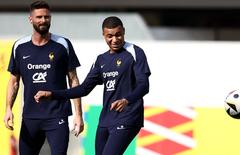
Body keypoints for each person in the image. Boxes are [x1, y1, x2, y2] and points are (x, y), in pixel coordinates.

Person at [34, 16, 151, 155]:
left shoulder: (135, 52)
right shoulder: (101, 59)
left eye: (118, 35)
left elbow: (144, 85)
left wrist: (127, 100)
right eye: (110, 36)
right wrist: (52, 94)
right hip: (105, 120)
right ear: (104, 35)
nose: (115, 39)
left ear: (124, 31)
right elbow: (84, 89)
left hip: (128, 117)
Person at [3, 1, 84, 155]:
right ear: (30, 19)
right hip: (30, 117)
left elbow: (73, 80)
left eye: (47, 17)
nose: (43, 20)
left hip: (57, 116)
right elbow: (14, 82)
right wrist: (8, 109)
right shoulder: (20, 47)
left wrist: (78, 115)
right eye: (39, 17)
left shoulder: (63, 44)